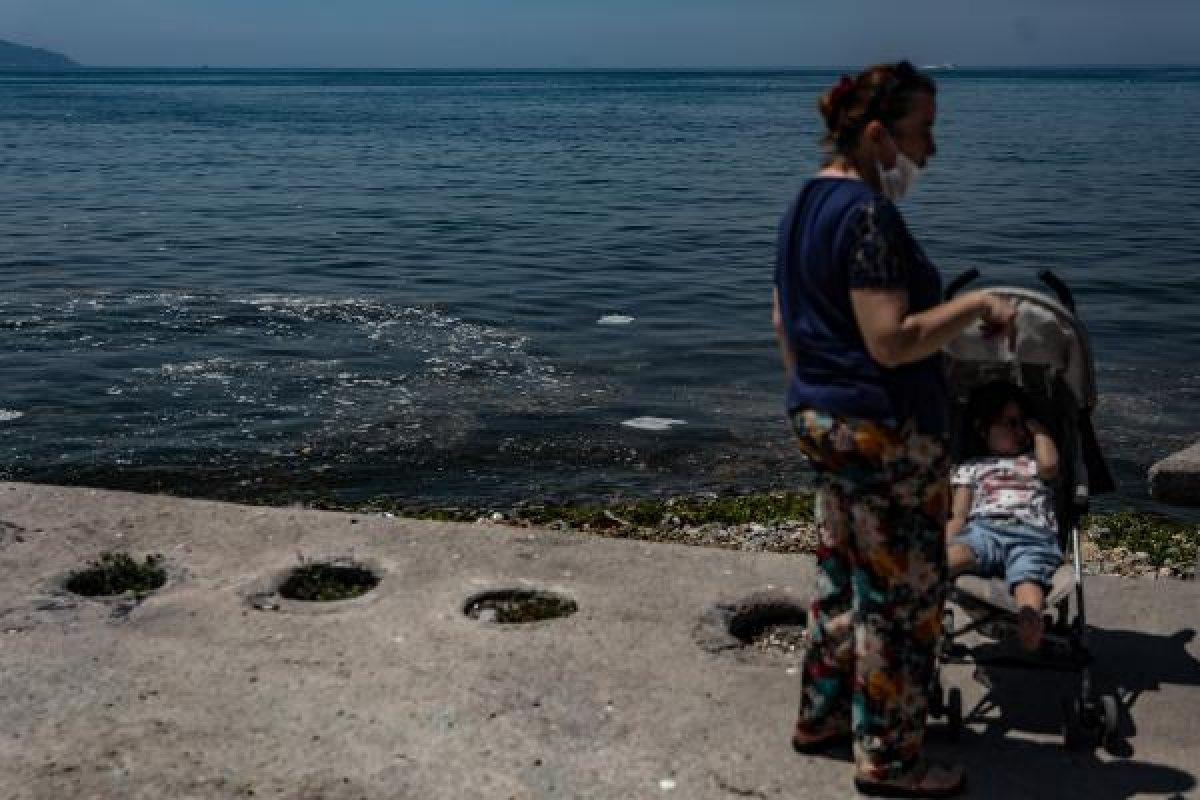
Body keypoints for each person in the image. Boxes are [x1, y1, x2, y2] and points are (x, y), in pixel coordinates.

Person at [772, 61, 1018, 798]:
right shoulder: (869, 215)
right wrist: (977, 304)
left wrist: (816, 390)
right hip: (883, 430)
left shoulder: (803, 204)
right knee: (904, 600)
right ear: (877, 134)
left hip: (822, 417)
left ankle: (822, 716)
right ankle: (889, 759)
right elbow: (893, 338)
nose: (930, 151)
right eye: (922, 132)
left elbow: (785, 320)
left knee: (843, 579)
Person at [947, 382, 1063, 651]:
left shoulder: (1035, 461)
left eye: (1023, 423)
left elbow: (1050, 465)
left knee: (1028, 576)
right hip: (984, 529)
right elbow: (959, 514)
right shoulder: (971, 467)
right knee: (957, 554)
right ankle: (917, 593)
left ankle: (1030, 618)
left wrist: (1041, 431)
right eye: (1010, 423)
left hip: (1032, 534)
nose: (1020, 431)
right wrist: (948, 540)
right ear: (982, 428)